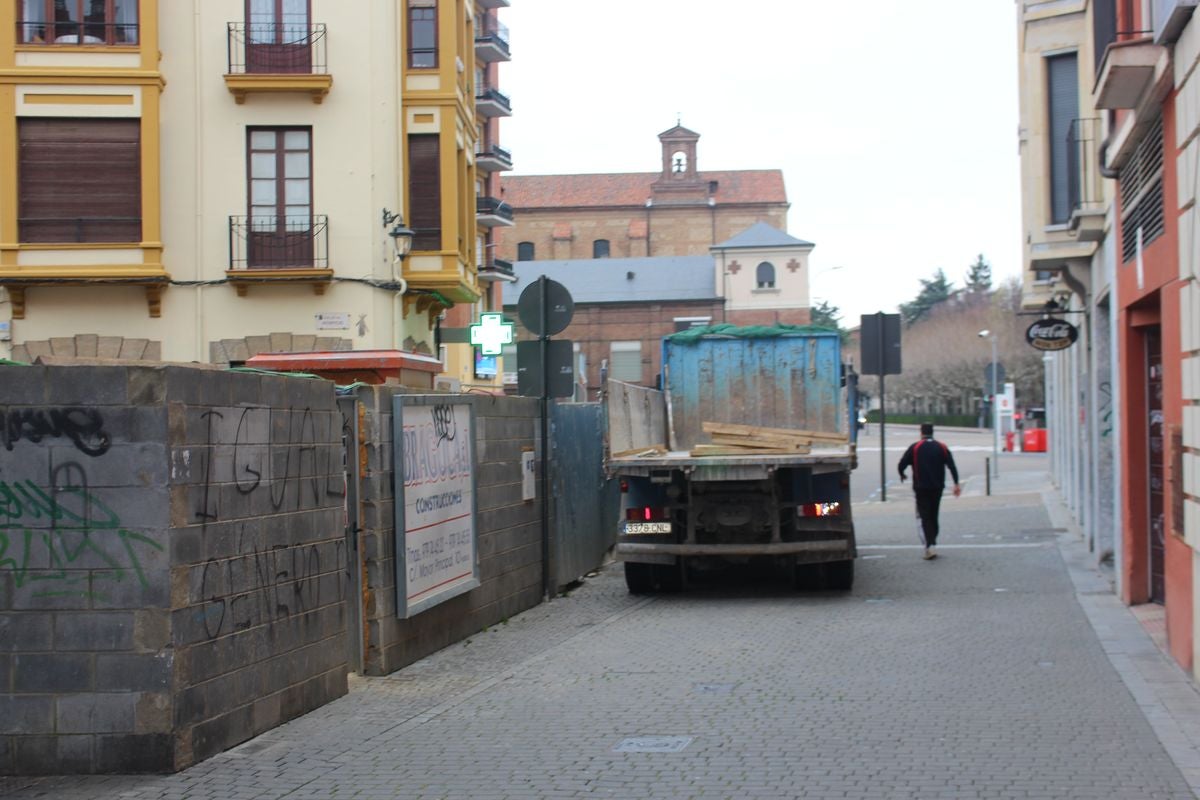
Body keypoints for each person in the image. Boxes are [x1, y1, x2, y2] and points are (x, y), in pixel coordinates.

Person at [898, 422, 960, 560]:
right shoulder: (942, 447)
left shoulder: (915, 447)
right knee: (934, 514)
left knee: (924, 516)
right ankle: (932, 541)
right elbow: (952, 466)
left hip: (921, 487)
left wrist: (902, 474)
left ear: (921, 432)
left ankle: (930, 545)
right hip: (937, 487)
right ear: (933, 432)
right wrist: (956, 483)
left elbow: (901, 464)